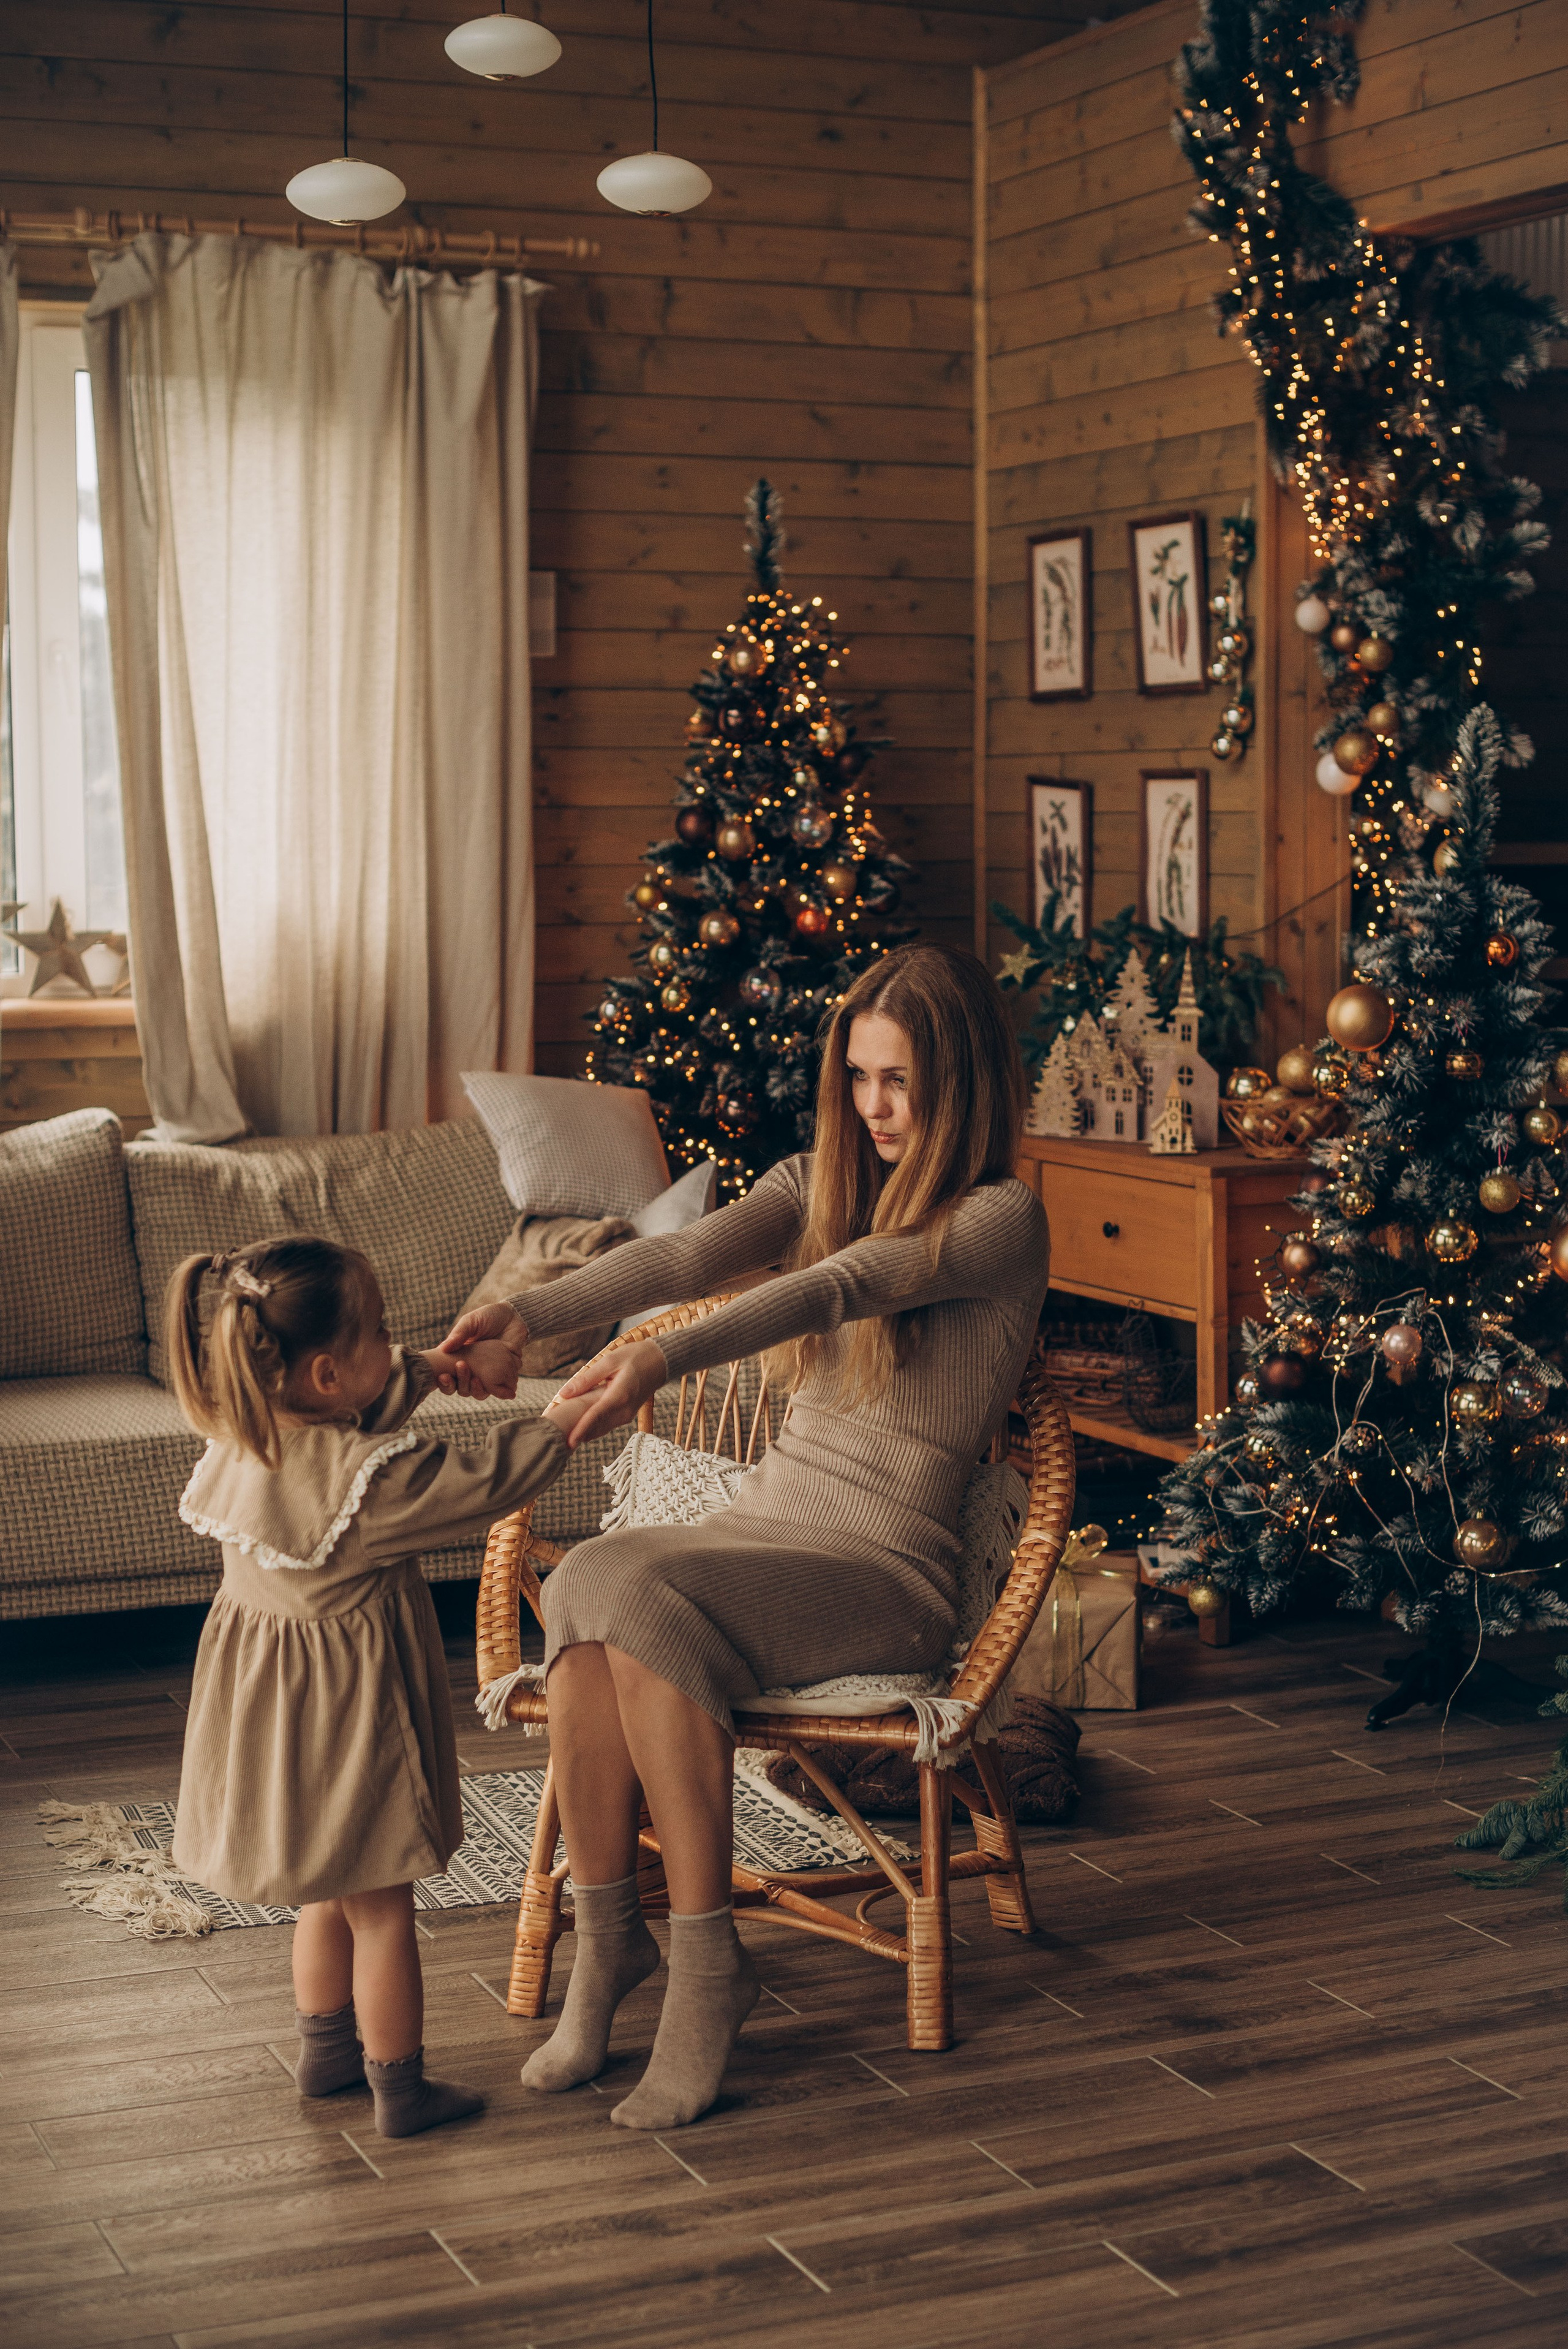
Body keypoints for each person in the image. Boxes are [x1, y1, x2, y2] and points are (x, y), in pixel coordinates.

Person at [440, 943, 1050, 2132]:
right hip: (768, 1529)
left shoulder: (999, 1220)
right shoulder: (818, 1179)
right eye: (860, 1077)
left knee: (629, 1598)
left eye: (902, 1081)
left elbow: (836, 1288)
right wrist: (523, 1313)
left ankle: (710, 1963)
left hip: (885, 1573)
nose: (875, 1106)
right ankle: (612, 1940)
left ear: (964, 1081)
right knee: (585, 1588)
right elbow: (679, 1255)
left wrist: (658, 1357)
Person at [167, 1235, 589, 2139]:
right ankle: (402, 2090)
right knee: (385, 1909)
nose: (394, 1345)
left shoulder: (243, 1429)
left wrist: (432, 1368)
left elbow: (354, 1401)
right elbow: (486, 1479)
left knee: (327, 1890)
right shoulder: (373, 1487)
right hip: (351, 1720)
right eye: (382, 1333)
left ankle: (326, 2053)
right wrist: (567, 1418)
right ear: (326, 1373)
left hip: (275, 1716)